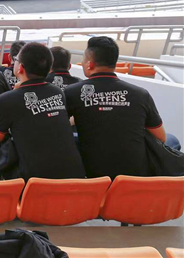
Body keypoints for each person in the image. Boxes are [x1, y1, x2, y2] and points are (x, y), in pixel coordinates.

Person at [65, 37, 179, 179]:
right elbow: (161, 137)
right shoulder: (140, 94)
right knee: (172, 139)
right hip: (136, 175)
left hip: (93, 173)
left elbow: (60, 129)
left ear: (89, 64)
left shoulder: (72, 92)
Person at [0, 43, 86, 180]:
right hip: (73, 174)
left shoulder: (5, 99)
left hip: (34, 180)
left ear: (20, 67)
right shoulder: (57, 92)